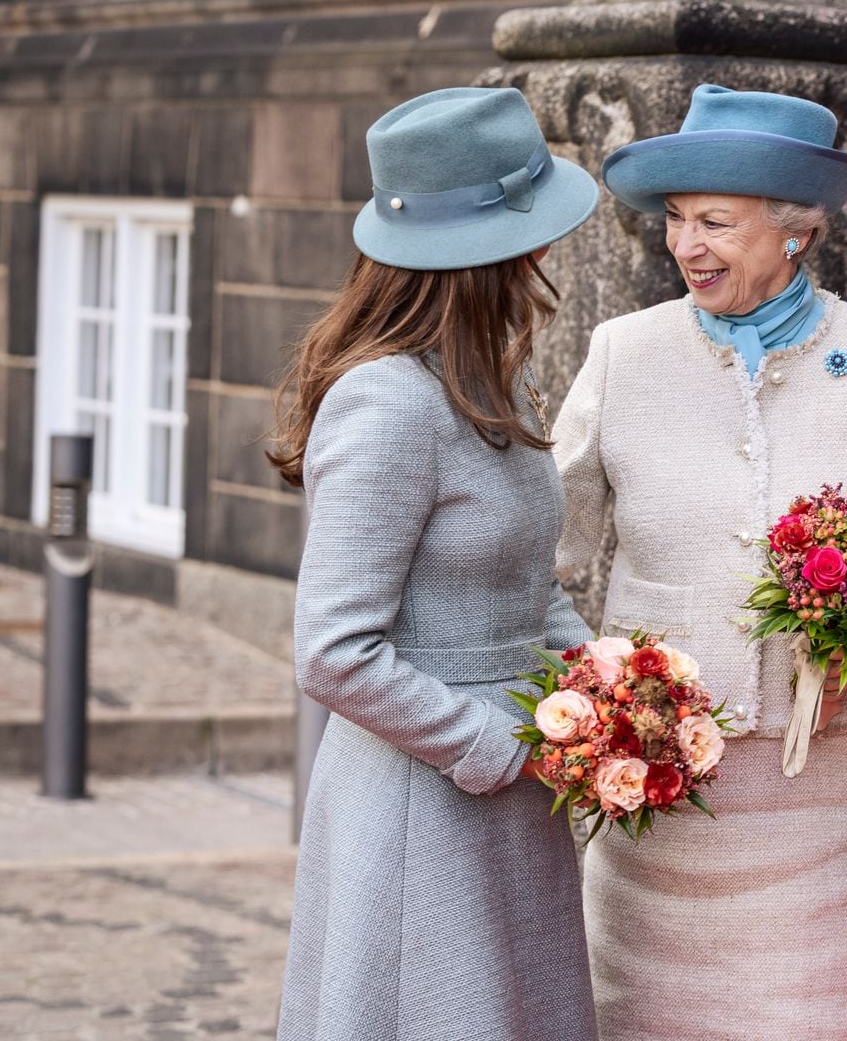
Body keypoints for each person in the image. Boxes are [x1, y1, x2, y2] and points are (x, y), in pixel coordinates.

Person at [552, 84, 847, 1038]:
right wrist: (587, 687)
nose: (687, 246)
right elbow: (546, 543)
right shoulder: (625, 353)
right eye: (676, 219)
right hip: (658, 780)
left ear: (796, 230)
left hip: (819, 790)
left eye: (716, 221)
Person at [269, 86, 601, 1040]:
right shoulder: (386, 405)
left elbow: (528, 585)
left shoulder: (491, 377)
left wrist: (605, 680)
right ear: (481, 257)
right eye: (532, 232)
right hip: (426, 805)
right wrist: (493, 748)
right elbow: (333, 652)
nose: (548, 251)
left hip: (514, 799)